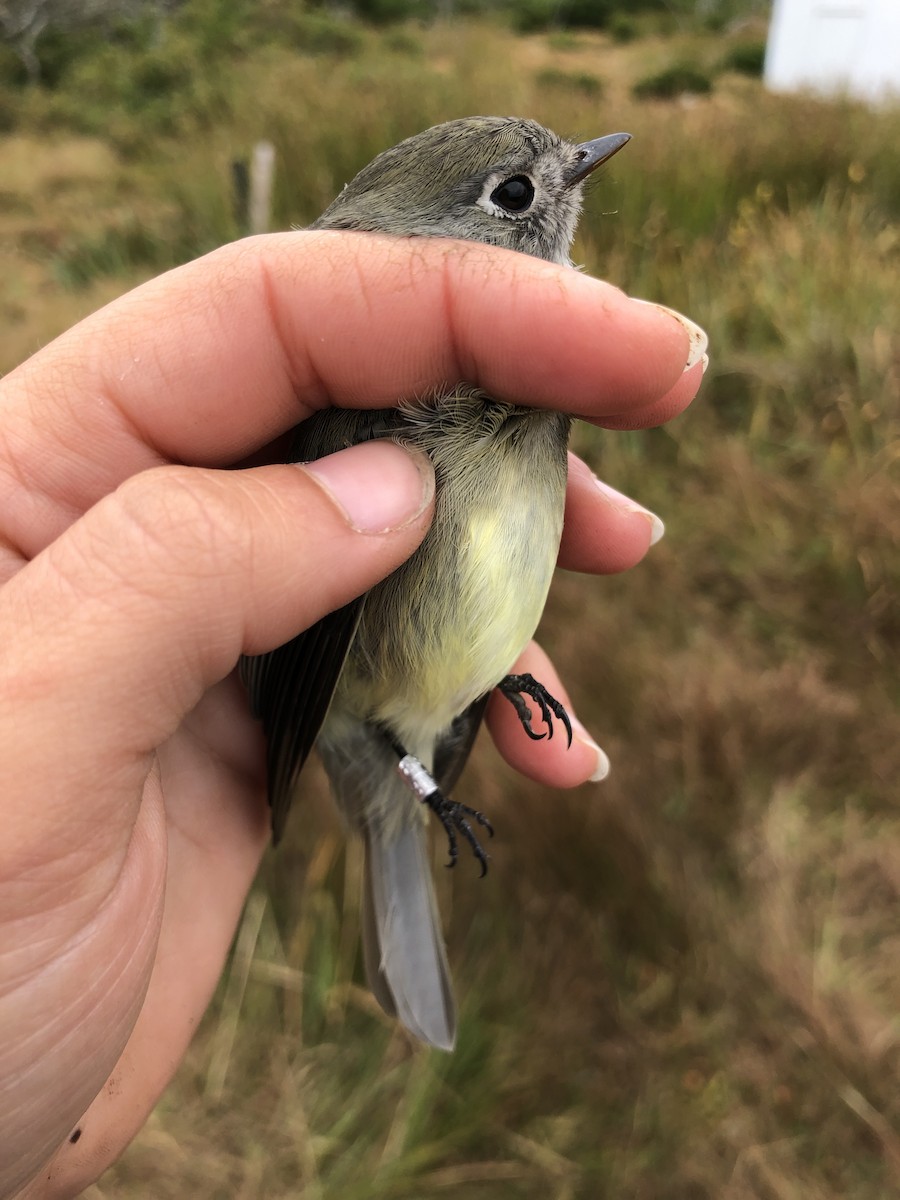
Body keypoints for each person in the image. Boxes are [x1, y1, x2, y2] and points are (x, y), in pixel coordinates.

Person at [0, 231, 703, 1199]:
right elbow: (336, 652)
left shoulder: (543, 417)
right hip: (357, 703)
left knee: (468, 650)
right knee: (405, 736)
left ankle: (450, 729)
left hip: (428, 690)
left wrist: (486, 676)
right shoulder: (386, 407)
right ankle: (419, 772)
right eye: (518, 196)